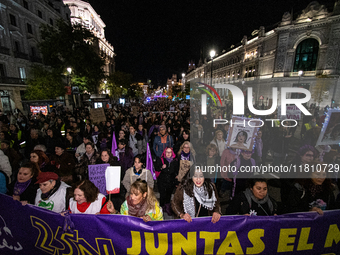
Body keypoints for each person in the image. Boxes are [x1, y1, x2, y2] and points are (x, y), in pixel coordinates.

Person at [155, 147, 178, 213]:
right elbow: (156, 168)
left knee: (169, 195)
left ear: (172, 153)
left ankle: (167, 207)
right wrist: (161, 167)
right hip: (162, 181)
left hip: (171, 181)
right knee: (162, 195)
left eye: (170, 152)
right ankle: (162, 208)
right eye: (167, 152)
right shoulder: (161, 159)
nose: (168, 153)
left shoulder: (175, 161)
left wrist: (176, 182)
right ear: (164, 153)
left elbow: (176, 172)